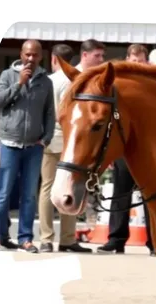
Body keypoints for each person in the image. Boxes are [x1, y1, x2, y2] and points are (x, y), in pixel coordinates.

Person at [0, 39, 55, 253]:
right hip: (8, 144)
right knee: (2, 195)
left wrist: (46, 138)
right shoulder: (7, 76)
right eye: (27, 54)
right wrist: (19, 83)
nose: (31, 58)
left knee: (29, 195)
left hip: (34, 147)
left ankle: (26, 238)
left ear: (41, 56)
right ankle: (1, 235)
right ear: (21, 54)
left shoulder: (45, 82)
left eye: (35, 55)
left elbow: (50, 112)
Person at [96, 44, 156, 256]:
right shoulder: (118, 85)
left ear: (145, 62)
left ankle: (154, 243)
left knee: (150, 197)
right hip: (123, 148)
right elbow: (115, 115)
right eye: (133, 61)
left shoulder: (151, 86)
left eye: (140, 61)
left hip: (146, 149)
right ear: (127, 60)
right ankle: (116, 240)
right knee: (120, 195)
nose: (137, 65)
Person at [38, 43, 93, 253]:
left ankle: (45, 238)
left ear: (54, 59)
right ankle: (68, 239)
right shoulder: (79, 80)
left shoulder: (49, 81)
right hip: (72, 143)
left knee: (47, 189)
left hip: (51, 141)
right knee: (72, 189)